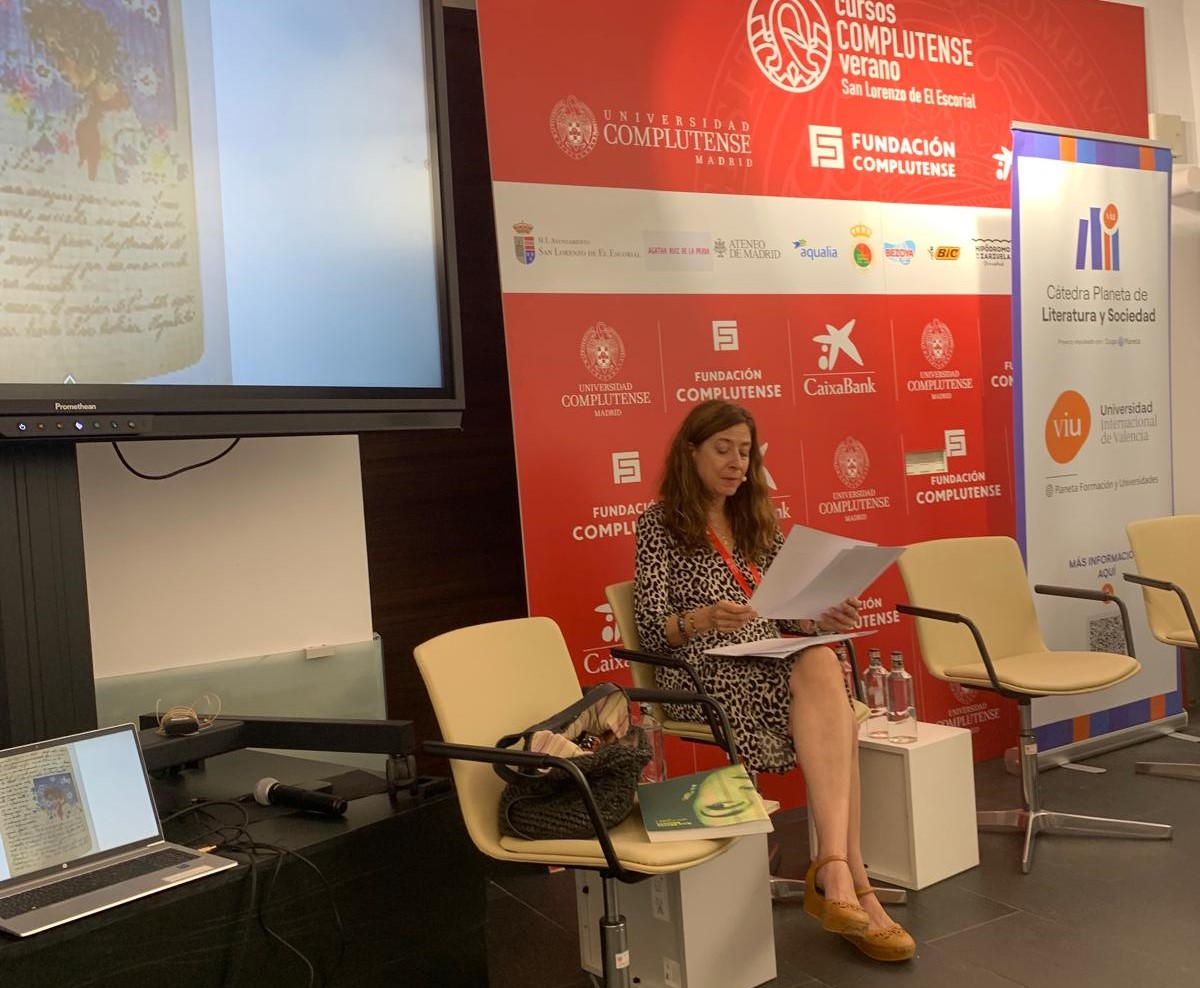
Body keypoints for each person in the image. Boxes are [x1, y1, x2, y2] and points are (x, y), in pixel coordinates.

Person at [633, 400, 914, 963]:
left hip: (767, 654)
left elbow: (791, 614)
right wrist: (703, 618)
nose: (736, 463)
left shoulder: (758, 521)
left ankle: (837, 871)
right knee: (832, 704)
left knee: (822, 660)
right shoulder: (659, 524)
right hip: (703, 667)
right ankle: (853, 883)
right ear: (691, 452)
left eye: (744, 452)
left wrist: (823, 617)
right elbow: (651, 629)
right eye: (723, 450)